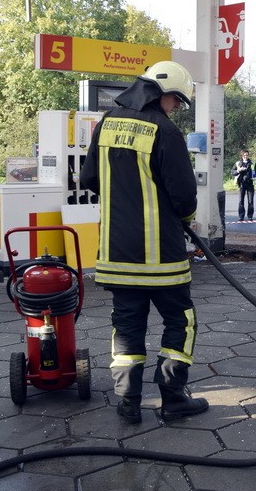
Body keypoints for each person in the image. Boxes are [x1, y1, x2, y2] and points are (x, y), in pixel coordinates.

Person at [79, 61, 208, 424]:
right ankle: (173, 399)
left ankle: (128, 402)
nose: (177, 109)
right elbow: (183, 195)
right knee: (180, 321)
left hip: (116, 253)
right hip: (161, 256)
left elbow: (90, 178)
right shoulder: (164, 130)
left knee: (127, 325)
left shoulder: (106, 123)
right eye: (177, 102)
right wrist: (181, 217)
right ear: (162, 95)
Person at [232, 148, 256, 220]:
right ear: (242, 156)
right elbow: (232, 172)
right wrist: (239, 170)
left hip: (250, 184)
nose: (246, 156)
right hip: (241, 184)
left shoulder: (252, 163)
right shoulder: (238, 163)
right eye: (244, 155)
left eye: (247, 155)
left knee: (250, 201)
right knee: (241, 201)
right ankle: (241, 216)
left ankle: (250, 216)